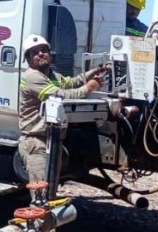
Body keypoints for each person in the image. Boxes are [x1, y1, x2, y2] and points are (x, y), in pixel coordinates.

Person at [18, 34, 103, 194]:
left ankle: (46, 218)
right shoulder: (32, 77)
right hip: (36, 142)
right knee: (40, 196)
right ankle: (39, 219)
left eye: (43, 50)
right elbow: (61, 96)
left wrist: (94, 71)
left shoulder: (51, 75)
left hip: (51, 141)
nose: (41, 54)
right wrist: (88, 88)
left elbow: (71, 83)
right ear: (28, 59)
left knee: (50, 192)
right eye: (35, 52)